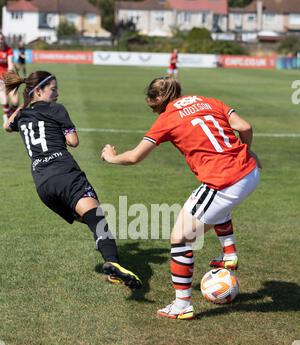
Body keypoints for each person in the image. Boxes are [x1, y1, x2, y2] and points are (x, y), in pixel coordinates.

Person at [101, 77, 262, 319]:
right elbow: (245, 127)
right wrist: (245, 151)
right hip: (250, 171)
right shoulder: (208, 101)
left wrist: (111, 157)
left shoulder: (166, 119)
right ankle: (229, 255)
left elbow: (134, 157)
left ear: (157, 99)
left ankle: (182, 305)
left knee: (180, 238)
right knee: (213, 209)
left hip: (225, 181)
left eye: (150, 101)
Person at [3, 70, 142, 289]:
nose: (57, 94)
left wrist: (25, 103)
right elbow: (73, 141)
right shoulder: (56, 109)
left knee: (89, 219)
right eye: (53, 90)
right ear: (38, 90)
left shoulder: (22, 116)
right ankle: (113, 264)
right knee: (97, 219)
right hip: (65, 174)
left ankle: (112, 260)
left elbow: (7, 126)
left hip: (43, 185)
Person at [0, 32, 18, 127]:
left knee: (15, 101)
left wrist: (10, 74)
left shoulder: (9, 50)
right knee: (5, 100)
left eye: (1, 38)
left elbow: (10, 63)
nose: (0, 41)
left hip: (8, 77)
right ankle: (8, 119)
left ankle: (9, 115)